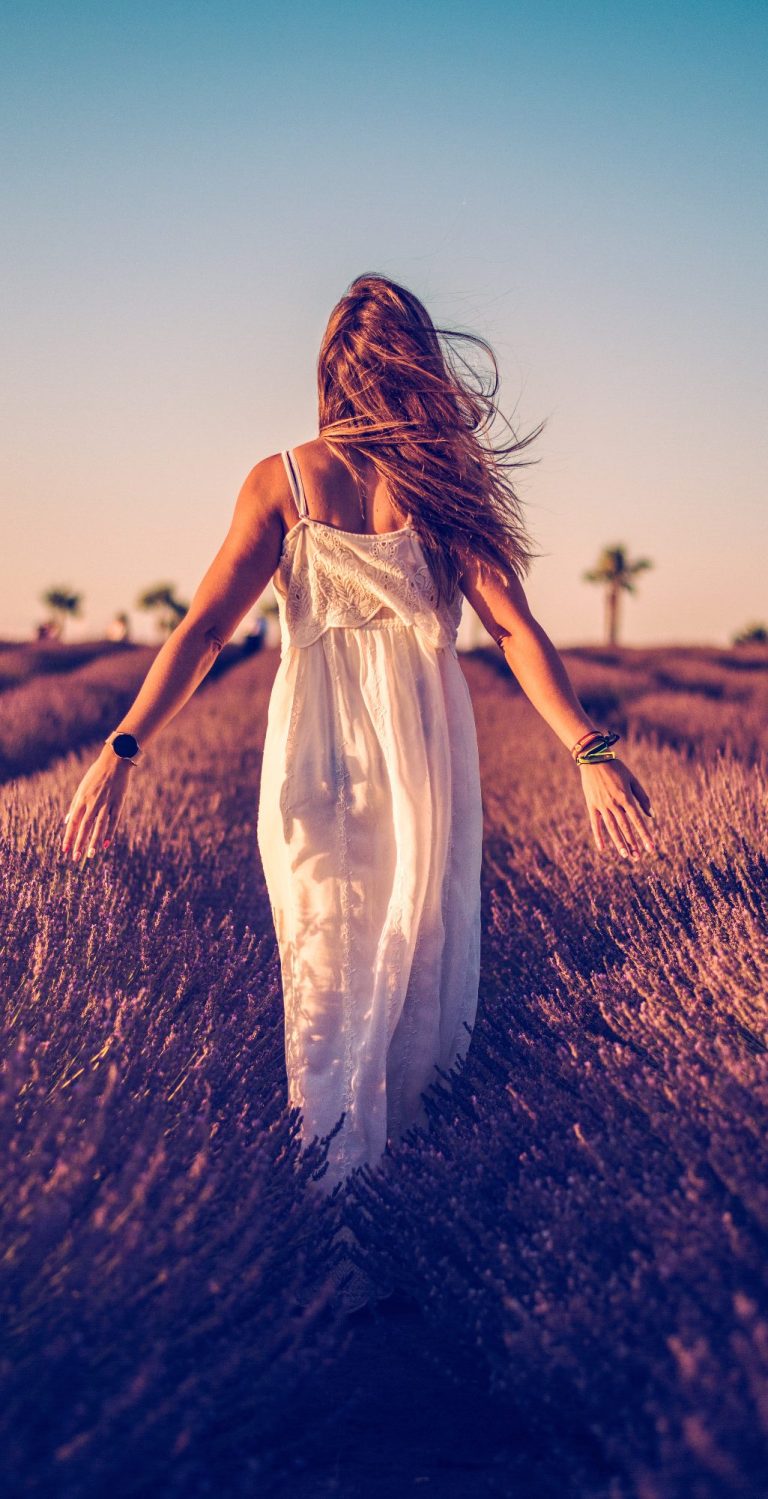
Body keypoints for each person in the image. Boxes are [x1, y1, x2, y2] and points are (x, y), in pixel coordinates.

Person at [61, 273, 655, 1300]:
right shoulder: (441, 481)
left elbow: (203, 630)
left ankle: (347, 1227)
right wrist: (589, 748)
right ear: (421, 360)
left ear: (331, 367)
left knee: (330, 960)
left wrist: (121, 749)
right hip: (423, 751)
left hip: (316, 752)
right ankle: (384, 1225)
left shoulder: (286, 479)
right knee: (411, 958)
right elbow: (515, 630)